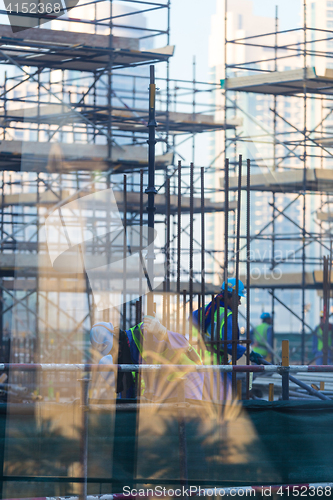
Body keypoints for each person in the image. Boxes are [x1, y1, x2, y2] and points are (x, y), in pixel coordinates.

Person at [90, 317, 203, 401]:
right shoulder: (126, 358)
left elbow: (184, 345)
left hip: (190, 387)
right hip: (172, 396)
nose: (116, 354)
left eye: (113, 350)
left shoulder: (145, 333)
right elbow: (129, 392)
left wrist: (163, 333)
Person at [192, 277, 247, 399]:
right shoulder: (227, 315)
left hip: (199, 361)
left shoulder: (205, 309)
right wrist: (247, 351)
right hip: (217, 364)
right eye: (238, 298)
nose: (239, 303)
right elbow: (227, 344)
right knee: (223, 401)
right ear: (229, 297)